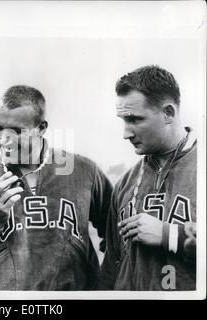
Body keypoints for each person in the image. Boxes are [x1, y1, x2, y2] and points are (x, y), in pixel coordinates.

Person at [0, 85, 112, 290]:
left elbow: (116, 234)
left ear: (41, 128)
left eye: (17, 131)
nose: (4, 139)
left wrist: (103, 287)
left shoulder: (84, 171)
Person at [99, 65, 197, 290]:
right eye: (123, 120)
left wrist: (169, 235)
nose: (126, 133)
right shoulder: (124, 183)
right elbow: (111, 270)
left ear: (168, 113)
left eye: (135, 119)